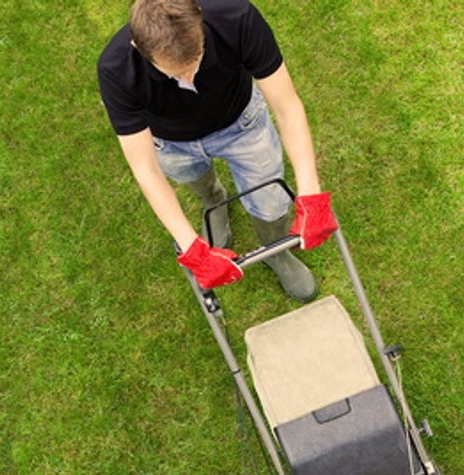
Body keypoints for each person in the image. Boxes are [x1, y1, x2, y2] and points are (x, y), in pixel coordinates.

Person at [96, 0, 338, 299]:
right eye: (175, 73)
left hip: (243, 124)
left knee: (271, 201)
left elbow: (287, 106)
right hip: (173, 143)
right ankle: (215, 202)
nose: (189, 78)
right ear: (138, 47)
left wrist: (311, 191)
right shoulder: (115, 69)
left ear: (200, 18)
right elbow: (145, 168)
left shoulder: (238, 17)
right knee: (198, 183)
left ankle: (276, 252)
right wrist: (190, 246)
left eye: (196, 60)